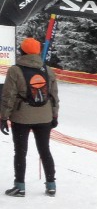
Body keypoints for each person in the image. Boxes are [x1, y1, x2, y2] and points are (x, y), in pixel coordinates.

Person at [0, 37, 59, 197]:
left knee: (20, 151)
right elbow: (54, 95)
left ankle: (19, 187)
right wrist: (54, 115)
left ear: (22, 51)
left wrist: (3, 117)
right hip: (45, 116)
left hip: (21, 117)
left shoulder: (15, 70)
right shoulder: (47, 69)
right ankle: (51, 185)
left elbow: (8, 96)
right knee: (45, 150)